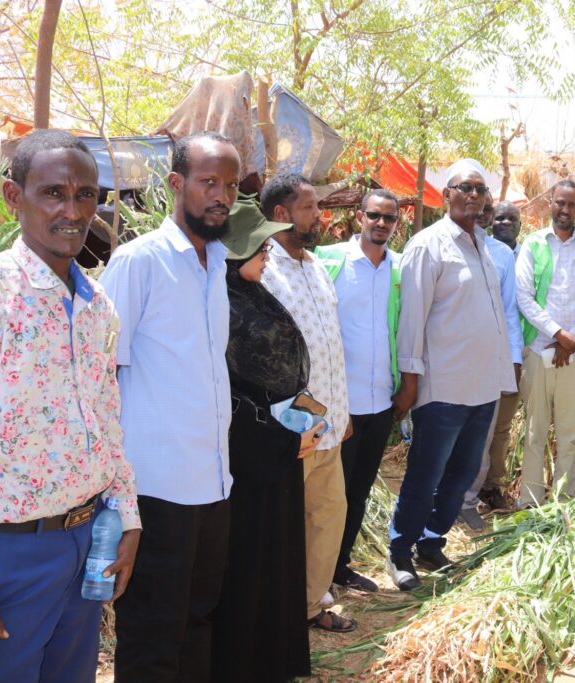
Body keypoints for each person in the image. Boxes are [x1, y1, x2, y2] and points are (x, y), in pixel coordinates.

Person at [0, 129, 140, 682]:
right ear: (15, 197)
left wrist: (127, 516)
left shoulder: (97, 304)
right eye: (53, 193)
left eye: (86, 195)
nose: (72, 211)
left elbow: (107, 420)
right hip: (5, 555)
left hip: (88, 542)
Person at [101, 131, 239, 682]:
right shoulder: (139, 262)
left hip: (213, 483)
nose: (221, 196)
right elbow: (101, 375)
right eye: (209, 182)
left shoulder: (218, 263)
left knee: (198, 621)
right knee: (152, 634)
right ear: (177, 183)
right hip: (156, 491)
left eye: (231, 186)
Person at [387, 161, 514, 590]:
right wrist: (410, 380)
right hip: (442, 387)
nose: (474, 195)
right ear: (446, 195)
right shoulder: (428, 246)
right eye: (465, 187)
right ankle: (400, 551)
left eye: (480, 189)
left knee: (461, 476)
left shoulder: (484, 245)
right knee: (425, 475)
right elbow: (412, 319)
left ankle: (431, 541)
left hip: (482, 387)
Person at [210, 200, 320, 682]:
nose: (268, 253)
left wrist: (299, 423)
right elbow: (231, 395)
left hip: (280, 448)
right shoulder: (221, 306)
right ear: (237, 253)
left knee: (277, 558)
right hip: (249, 459)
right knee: (248, 564)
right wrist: (279, 439)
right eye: (260, 247)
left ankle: (273, 663)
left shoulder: (254, 296)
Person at [260, 170, 355, 633]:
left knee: (328, 516)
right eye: (309, 208)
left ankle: (310, 605)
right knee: (281, 527)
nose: (320, 215)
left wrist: (342, 411)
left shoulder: (315, 266)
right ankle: (274, 614)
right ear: (281, 213)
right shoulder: (263, 269)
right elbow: (262, 362)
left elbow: (331, 343)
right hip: (290, 431)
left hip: (329, 426)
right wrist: (290, 428)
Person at [314, 189, 402, 593]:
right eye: (374, 215)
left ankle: (339, 567)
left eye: (389, 218)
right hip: (339, 404)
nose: (381, 223)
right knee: (329, 496)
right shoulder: (329, 262)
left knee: (359, 491)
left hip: (380, 401)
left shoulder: (398, 269)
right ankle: (316, 574)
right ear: (360, 217)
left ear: (396, 223)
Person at [515, 180, 575, 507]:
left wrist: (572, 339)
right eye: (560, 203)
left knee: (569, 433)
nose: (565, 209)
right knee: (535, 430)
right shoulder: (533, 243)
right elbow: (524, 297)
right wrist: (558, 334)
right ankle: (530, 502)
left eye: (572, 204)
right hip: (539, 350)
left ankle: (564, 503)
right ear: (550, 203)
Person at [458, 196, 523, 530]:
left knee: (483, 434)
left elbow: (510, 312)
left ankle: (468, 500)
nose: (483, 215)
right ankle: (440, 498)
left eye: (488, 210)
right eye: (481, 210)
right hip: (453, 357)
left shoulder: (503, 256)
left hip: (492, 359)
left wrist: (514, 358)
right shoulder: (442, 246)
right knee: (448, 431)